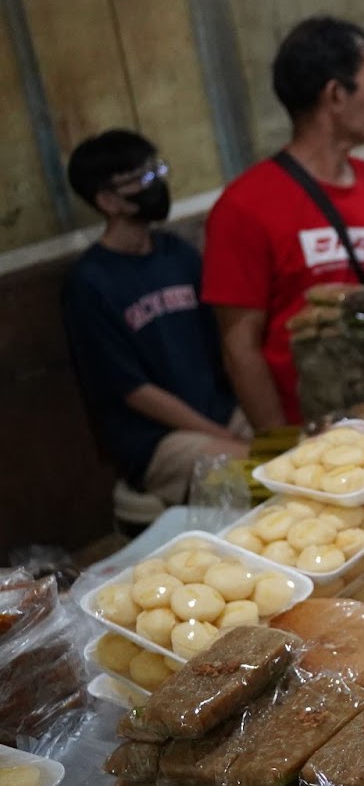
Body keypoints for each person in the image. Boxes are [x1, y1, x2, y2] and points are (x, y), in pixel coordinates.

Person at [202, 16, 364, 428]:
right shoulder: (244, 206)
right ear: (335, 95)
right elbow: (241, 349)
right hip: (310, 426)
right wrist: (284, 449)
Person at [61, 131, 247, 505]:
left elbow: (224, 338)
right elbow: (133, 390)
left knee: (292, 455)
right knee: (250, 476)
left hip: (220, 410)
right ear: (108, 200)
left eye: (156, 170)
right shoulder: (89, 283)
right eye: (142, 179)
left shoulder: (178, 254)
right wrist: (222, 435)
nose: (156, 185)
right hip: (156, 438)